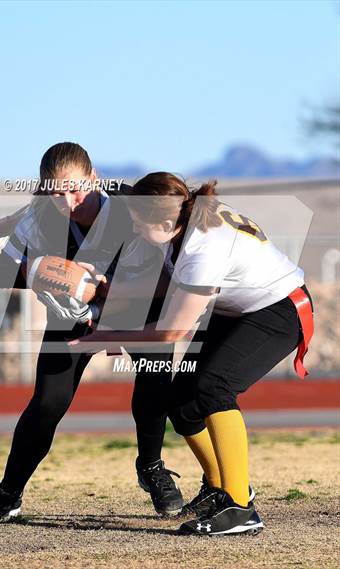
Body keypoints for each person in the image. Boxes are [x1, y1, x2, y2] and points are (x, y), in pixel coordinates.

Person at [70, 171, 314, 536]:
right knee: (182, 403)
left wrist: (103, 335)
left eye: (138, 224)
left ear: (167, 221)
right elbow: (173, 281)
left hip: (280, 308)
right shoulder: (181, 218)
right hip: (238, 309)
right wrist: (117, 290)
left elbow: (172, 330)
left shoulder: (203, 246)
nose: (135, 231)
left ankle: (240, 509)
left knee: (213, 387)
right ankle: (223, 488)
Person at [0, 143, 184, 523]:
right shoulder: (39, 216)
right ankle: (8, 493)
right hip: (72, 319)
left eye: (75, 188)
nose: (67, 200)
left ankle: (151, 467)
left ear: (94, 177)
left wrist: (109, 287)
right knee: (47, 404)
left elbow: (172, 279)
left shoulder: (132, 205)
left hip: (137, 311)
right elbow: (0, 274)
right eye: (55, 191)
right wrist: (46, 273)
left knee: (155, 390)